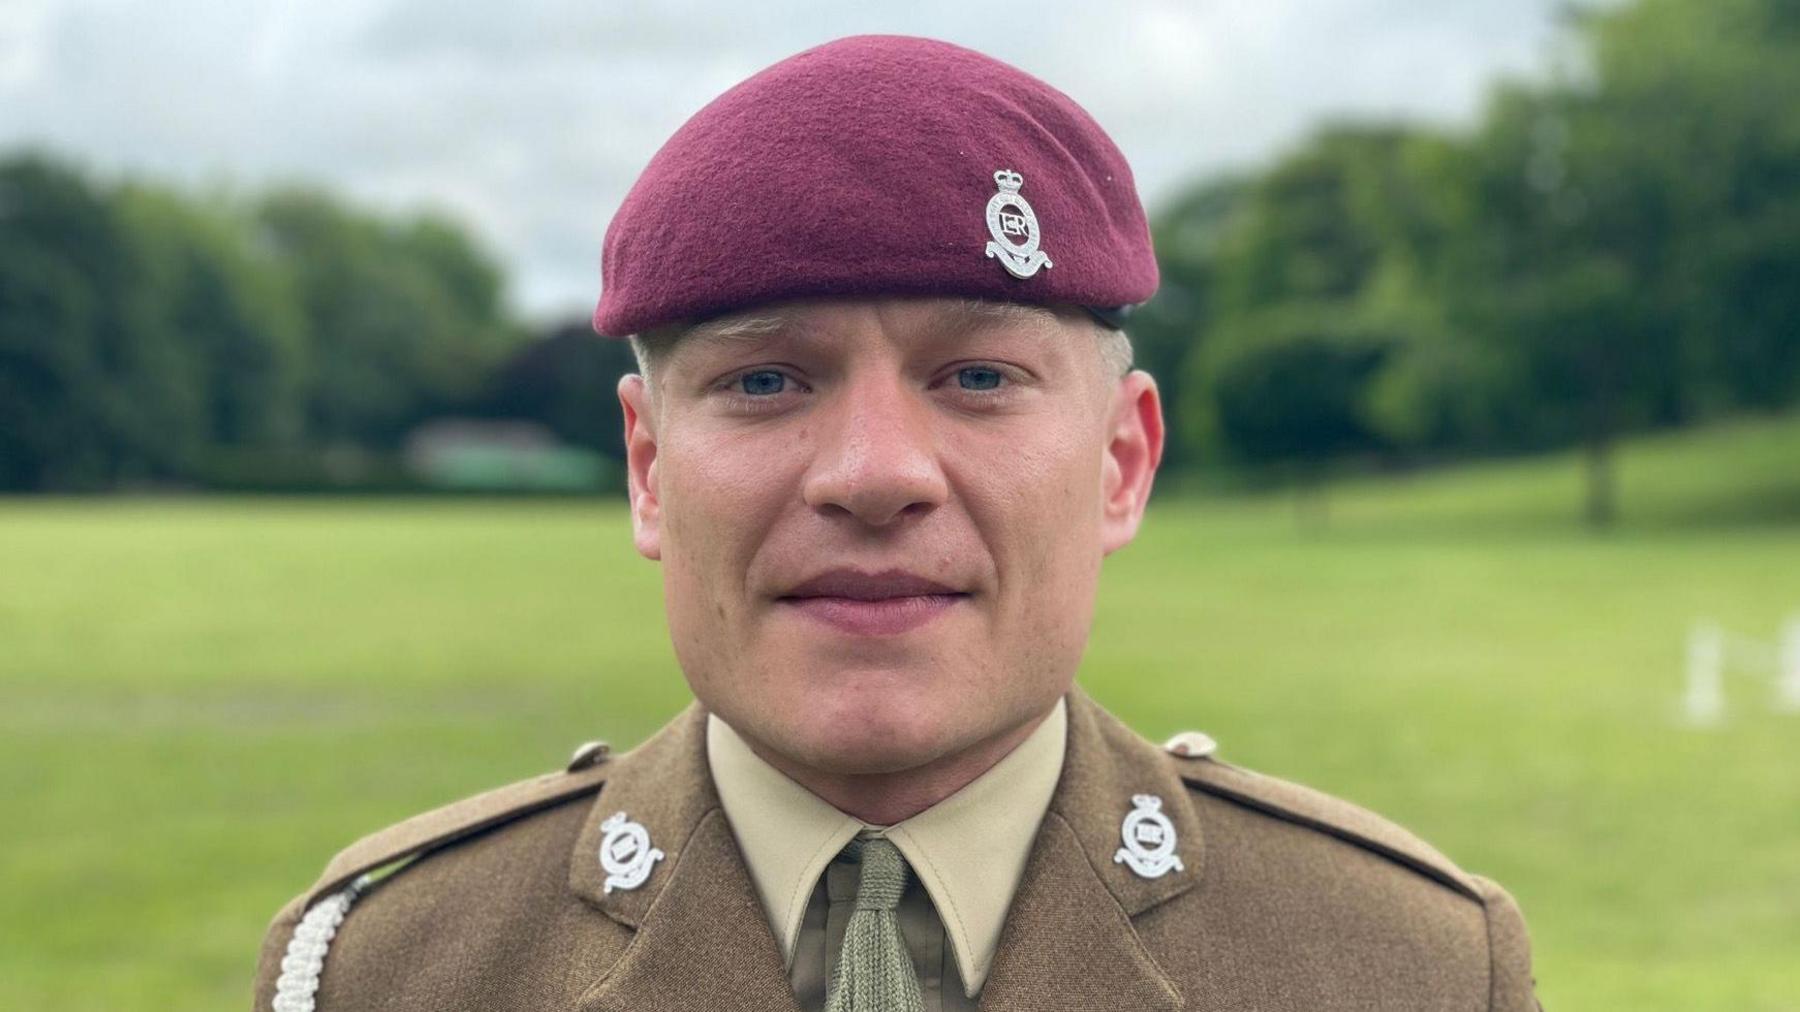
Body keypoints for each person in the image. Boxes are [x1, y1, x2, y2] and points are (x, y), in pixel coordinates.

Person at [255, 35, 1540, 1012]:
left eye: (977, 376)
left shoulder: (1406, 966)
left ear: (1121, 461)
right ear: (648, 467)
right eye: (767, 380)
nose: (874, 474)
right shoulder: (387, 966)